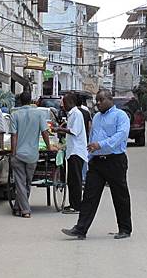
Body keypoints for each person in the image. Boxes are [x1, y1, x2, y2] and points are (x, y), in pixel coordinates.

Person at [61, 89, 132, 240]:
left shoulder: (121, 116)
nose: (98, 104)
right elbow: (92, 138)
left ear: (109, 100)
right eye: (96, 101)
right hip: (97, 162)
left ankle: (125, 228)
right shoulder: (97, 117)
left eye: (101, 100)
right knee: (89, 196)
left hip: (115, 160)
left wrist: (101, 145)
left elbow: (121, 136)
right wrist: (90, 156)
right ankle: (80, 229)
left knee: (120, 196)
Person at [10, 90, 51, 218]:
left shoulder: (15, 115)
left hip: (19, 154)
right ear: (31, 101)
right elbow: (45, 132)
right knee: (27, 182)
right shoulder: (39, 114)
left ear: (20, 101)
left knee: (20, 183)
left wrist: (13, 152)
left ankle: (24, 209)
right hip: (33, 155)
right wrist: (49, 147)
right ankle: (20, 208)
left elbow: (14, 136)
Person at [53, 93, 88, 214]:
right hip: (72, 151)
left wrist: (60, 129)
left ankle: (77, 206)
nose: (63, 105)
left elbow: (74, 131)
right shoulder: (72, 114)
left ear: (70, 103)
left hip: (77, 152)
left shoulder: (76, 114)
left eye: (64, 103)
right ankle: (73, 204)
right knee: (72, 180)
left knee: (76, 180)